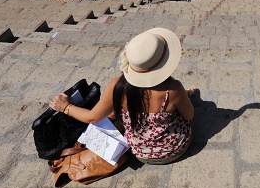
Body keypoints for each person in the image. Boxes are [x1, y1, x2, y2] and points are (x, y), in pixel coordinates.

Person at [49, 28, 195, 165]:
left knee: (115, 112)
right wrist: (183, 96)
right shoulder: (173, 89)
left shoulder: (117, 86)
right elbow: (189, 115)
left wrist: (65, 107)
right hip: (174, 149)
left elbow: (92, 117)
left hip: (140, 153)